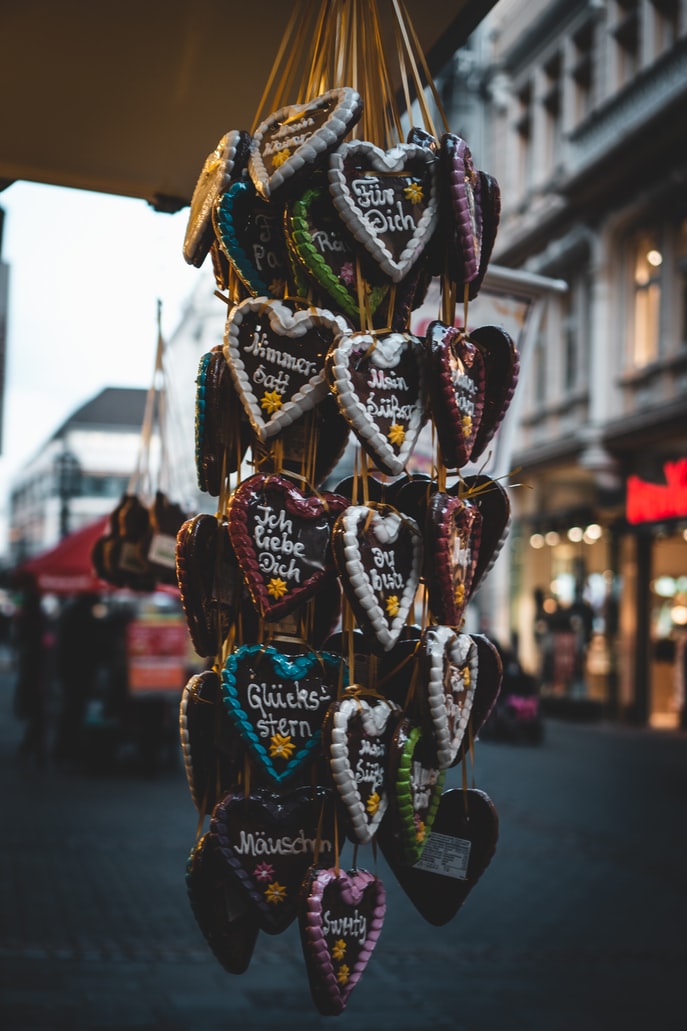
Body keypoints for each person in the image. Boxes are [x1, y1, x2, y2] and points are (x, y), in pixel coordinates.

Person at [52, 592, 102, 764]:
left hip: (72, 671)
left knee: (72, 708)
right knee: (74, 709)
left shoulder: (73, 613)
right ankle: (68, 748)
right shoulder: (83, 617)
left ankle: (66, 747)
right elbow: (90, 646)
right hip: (77, 671)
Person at [12, 572, 48, 765]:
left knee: (37, 712)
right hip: (36, 670)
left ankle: (31, 748)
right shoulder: (35, 619)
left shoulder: (27, 618)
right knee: (38, 711)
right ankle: (34, 748)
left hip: (33, 669)